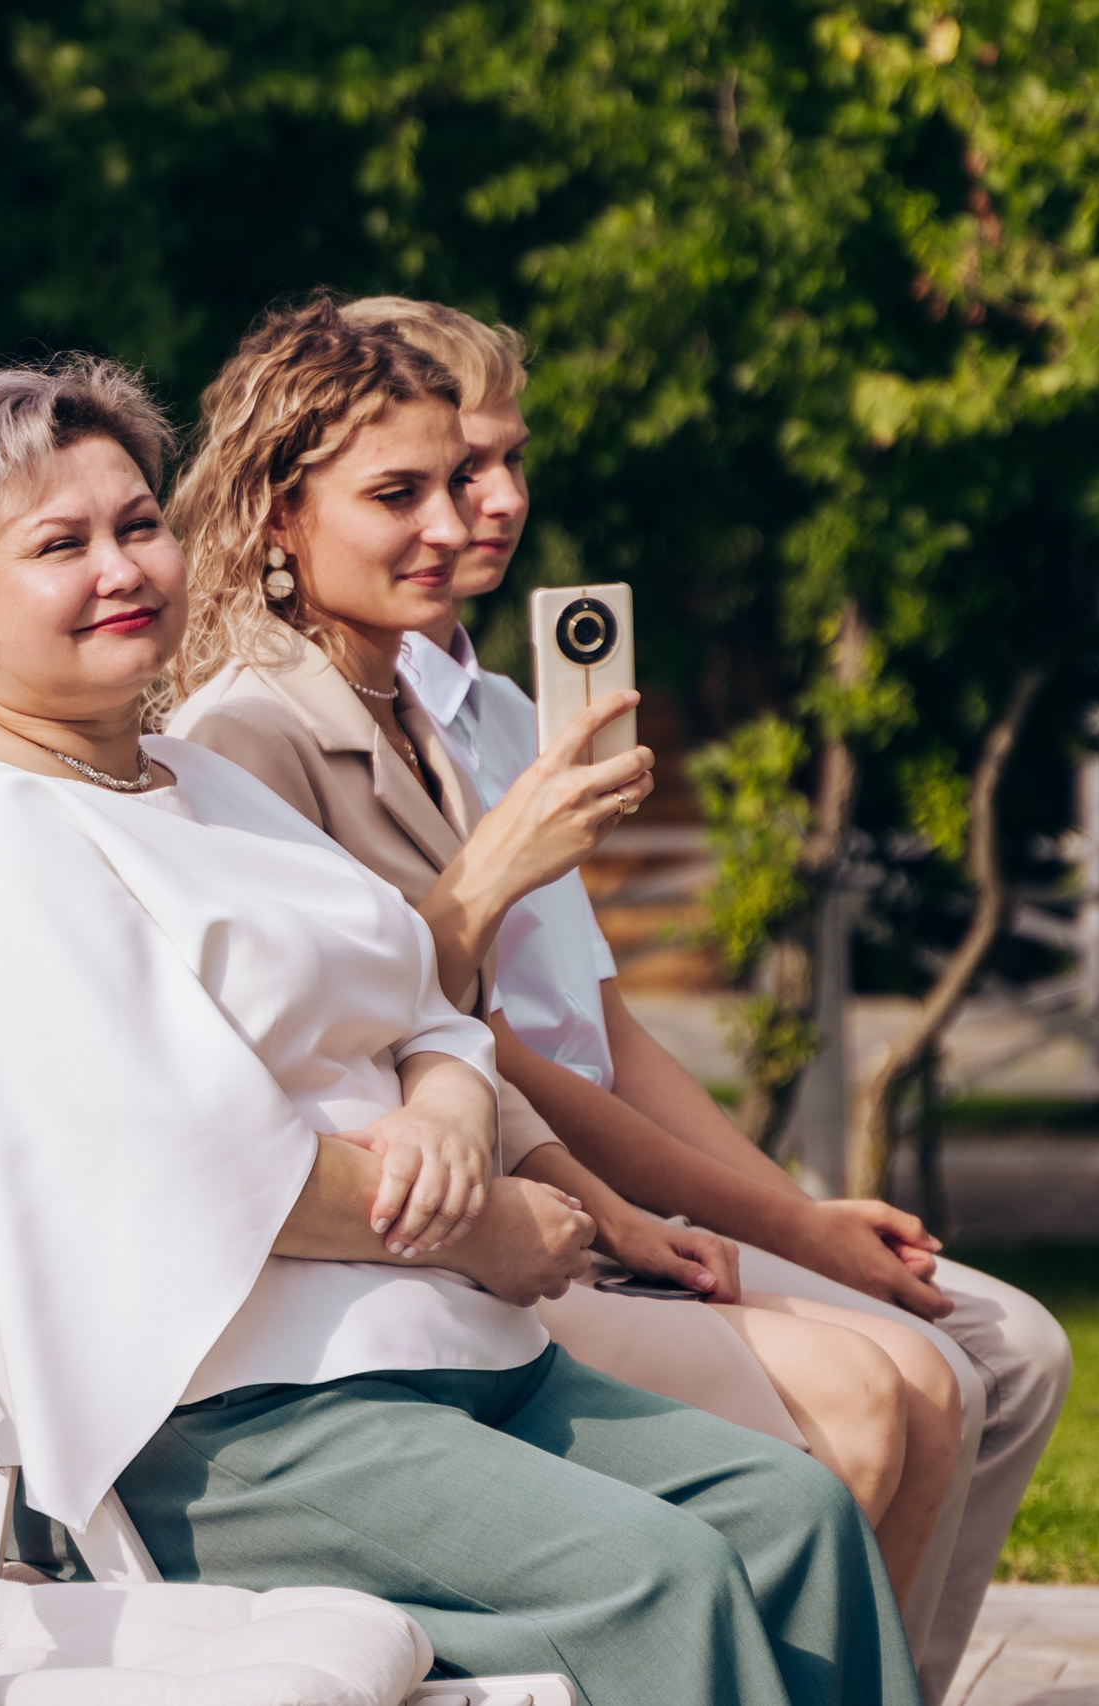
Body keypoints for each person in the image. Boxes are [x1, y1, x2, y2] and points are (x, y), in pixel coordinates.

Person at [0, 353, 922, 1705]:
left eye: (137, 523)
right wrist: (484, 1222)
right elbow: (193, 1178)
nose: (122, 566)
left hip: (433, 1351)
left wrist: (455, 1106)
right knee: (666, 1575)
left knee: (794, 1519)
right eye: (61, 544)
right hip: (233, 1421)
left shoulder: (188, 775)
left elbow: (422, 983)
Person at [161, 298, 958, 1598]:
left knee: (936, 1380)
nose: (467, 513)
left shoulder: (428, 708)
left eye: (477, 471)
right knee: (878, 1401)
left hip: (533, 1210)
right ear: (278, 518)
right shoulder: (250, 732)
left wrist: (670, 1216)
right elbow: (377, 1040)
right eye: (408, 489)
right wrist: (497, 865)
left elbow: (513, 1034)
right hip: (413, 1271)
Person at [342, 292, 1074, 1701]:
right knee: (913, 1380)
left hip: (615, 1190)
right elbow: (473, 1048)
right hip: (522, 1212)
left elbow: (604, 1029)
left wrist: (796, 1210)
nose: (490, 502)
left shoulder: (502, 716)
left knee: (1010, 1349)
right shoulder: (335, 729)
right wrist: (743, 1223)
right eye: (444, 472)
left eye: (501, 460)